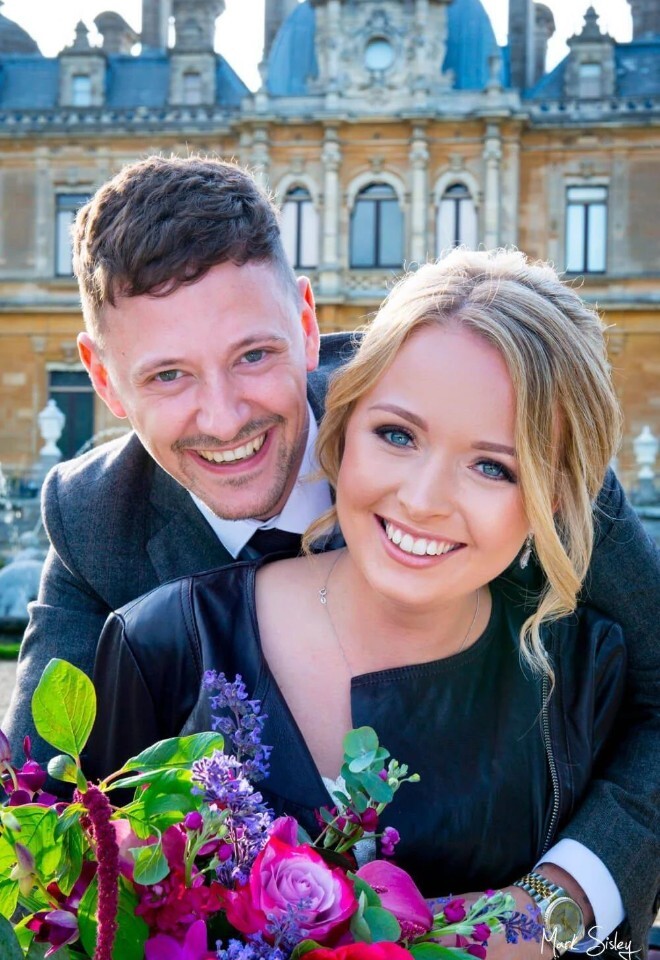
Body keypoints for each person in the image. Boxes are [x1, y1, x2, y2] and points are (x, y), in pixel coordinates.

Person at [1, 157, 657, 953]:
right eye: (169, 374)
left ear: (307, 323)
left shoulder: (504, 407)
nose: (224, 417)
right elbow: (35, 816)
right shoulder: (95, 519)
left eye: (254, 355)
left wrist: (555, 903)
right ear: (104, 379)